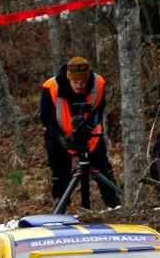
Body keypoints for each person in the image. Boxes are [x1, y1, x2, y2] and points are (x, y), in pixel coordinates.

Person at [40, 57, 120, 210]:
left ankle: (114, 205)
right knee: (60, 175)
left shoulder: (98, 83)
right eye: (75, 83)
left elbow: (98, 112)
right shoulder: (51, 87)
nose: (79, 86)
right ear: (69, 78)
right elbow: (46, 119)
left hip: (90, 134)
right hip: (59, 135)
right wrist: (61, 137)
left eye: (82, 82)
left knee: (103, 169)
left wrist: (87, 128)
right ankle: (61, 210)